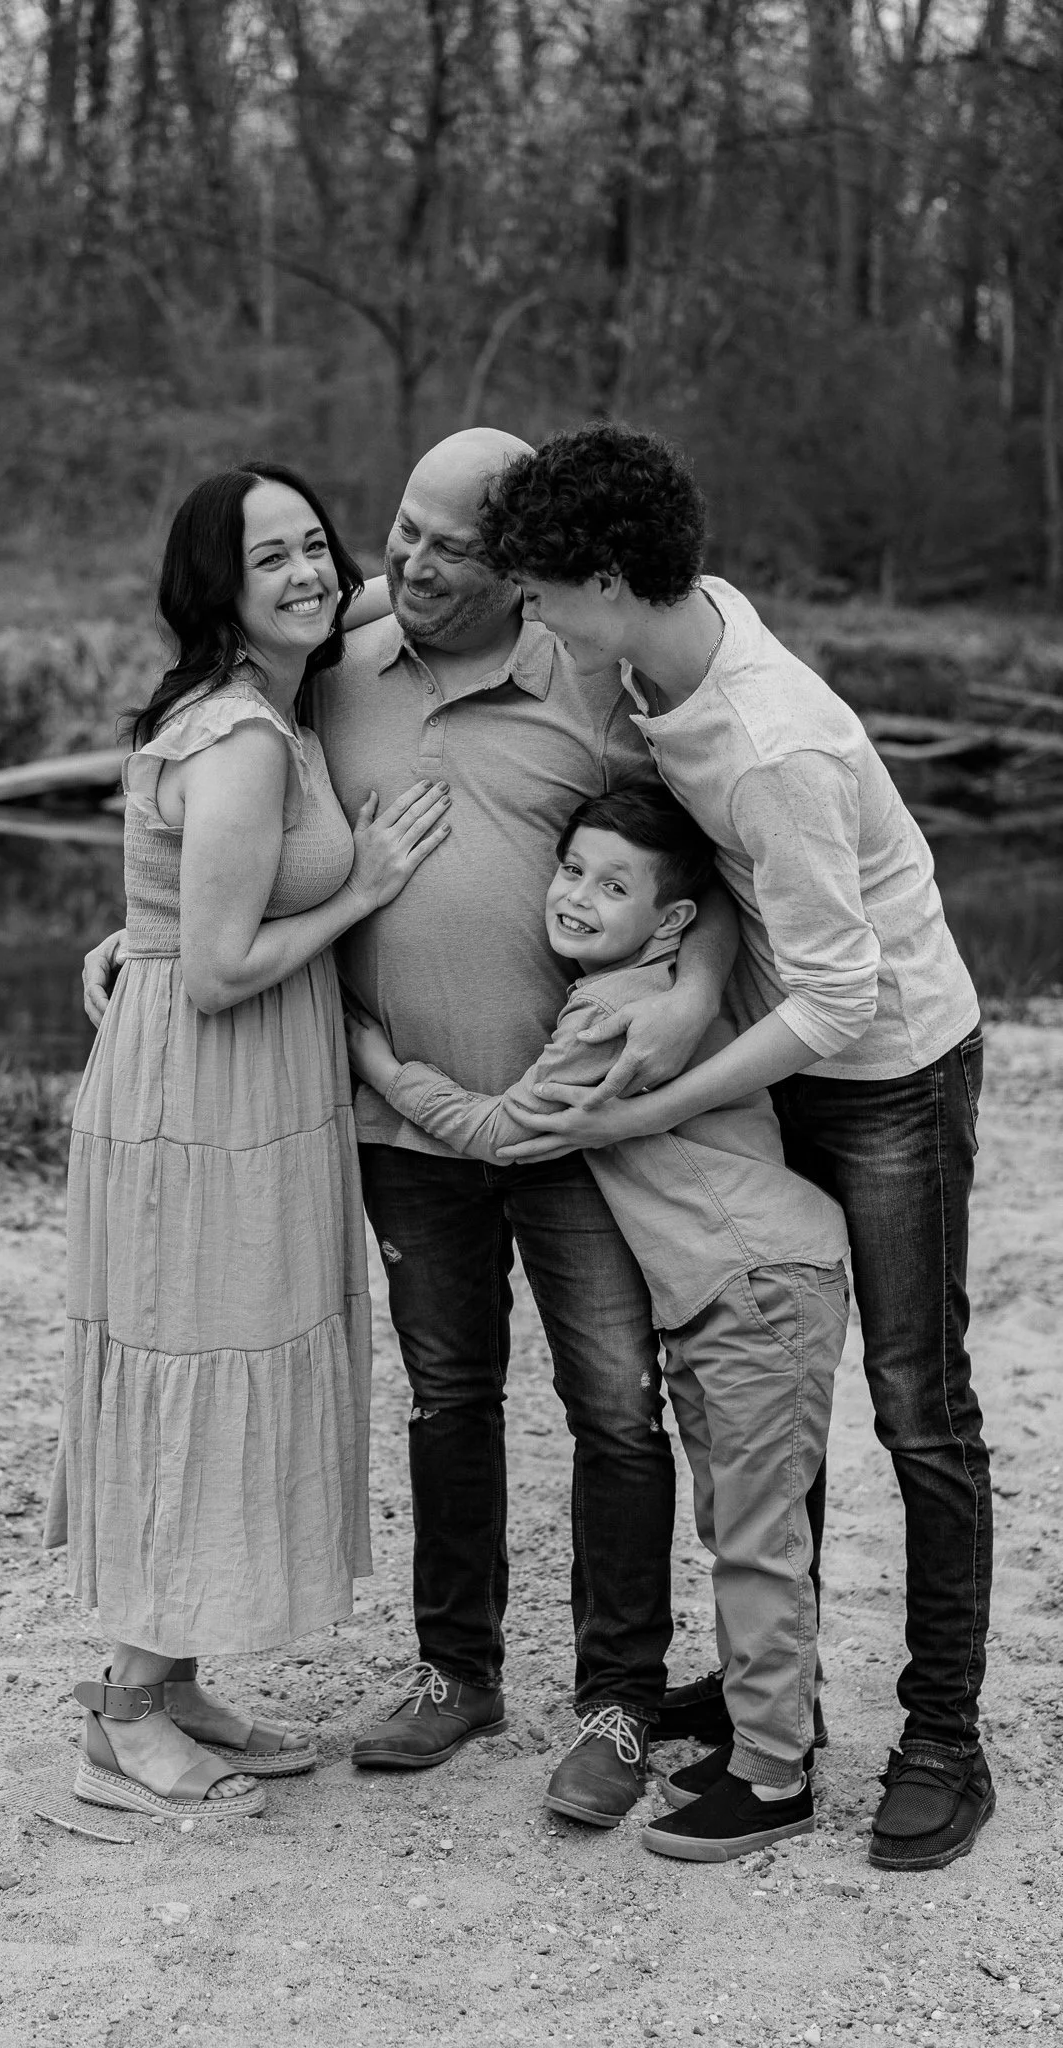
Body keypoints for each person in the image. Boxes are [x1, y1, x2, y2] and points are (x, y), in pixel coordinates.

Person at [86, 427, 741, 1829]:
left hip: (573, 1123)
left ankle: (620, 1700)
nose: (414, 564)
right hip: (397, 1124)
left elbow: (711, 862)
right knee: (449, 1399)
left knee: (613, 1406)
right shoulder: (333, 665)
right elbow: (225, 827)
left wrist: (690, 989)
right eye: (404, 531)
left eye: (457, 546)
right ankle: (457, 1674)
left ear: (523, 566)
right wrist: (140, 931)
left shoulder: (591, 682)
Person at [479, 422, 992, 1873]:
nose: (529, 621)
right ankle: (782, 1704)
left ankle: (942, 1735)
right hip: (779, 1051)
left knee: (916, 1405)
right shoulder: (654, 661)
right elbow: (711, 885)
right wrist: (694, 985)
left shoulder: (775, 745)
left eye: (539, 594)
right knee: (776, 1387)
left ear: (605, 580)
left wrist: (646, 1104)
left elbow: (844, 994)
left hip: (887, 1074)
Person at [46, 461, 451, 1823]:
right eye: (268, 557)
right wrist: (367, 889)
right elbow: (218, 970)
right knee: (196, 1366)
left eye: (316, 545)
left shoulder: (276, 694)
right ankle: (121, 1715)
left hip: (242, 1087)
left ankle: (172, 1685)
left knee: (223, 1352)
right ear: (215, 587)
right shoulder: (240, 737)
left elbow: (389, 588)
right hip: (205, 1092)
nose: (307, 573)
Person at [345, 779, 850, 1860]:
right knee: (741, 1524)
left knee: (748, 1529)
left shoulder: (611, 1012)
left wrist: (379, 1064)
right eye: (570, 869)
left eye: (612, 885)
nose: (575, 894)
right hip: (723, 1283)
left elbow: (505, 1130)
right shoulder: (637, 983)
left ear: (667, 919)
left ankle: (769, 1773)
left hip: (752, 1278)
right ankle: (763, 1733)